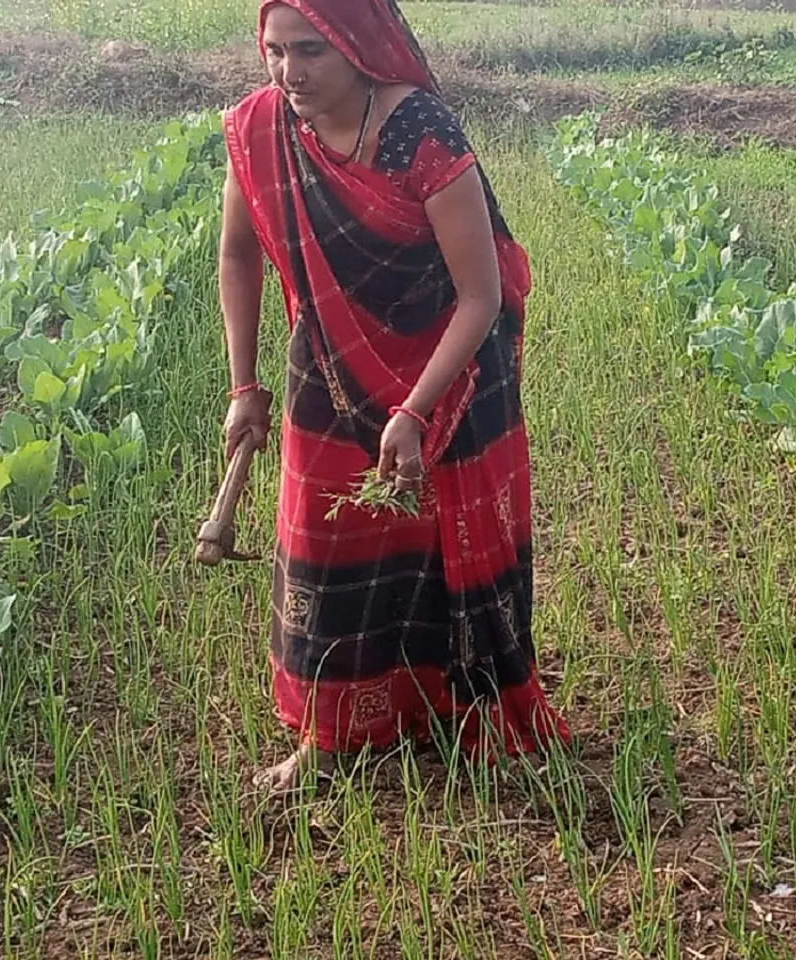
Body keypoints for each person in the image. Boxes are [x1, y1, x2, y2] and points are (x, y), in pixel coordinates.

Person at [218, 0, 570, 793]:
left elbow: (480, 295)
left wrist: (415, 411)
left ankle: (461, 714)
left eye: (311, 50)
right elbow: (238, 256)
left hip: (451, 375)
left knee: (445, 552)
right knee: (325, 553)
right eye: (275, 50)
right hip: (331, 366)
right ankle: (328, 735)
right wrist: (245, 384)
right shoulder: (261, 129)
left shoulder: (423, 133)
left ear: (358, 46)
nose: (289, 71)